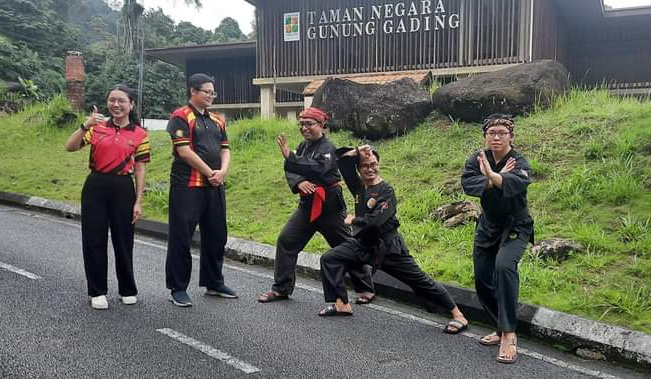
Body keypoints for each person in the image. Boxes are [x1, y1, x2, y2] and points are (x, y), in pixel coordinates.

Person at [317, 145, 469, 334]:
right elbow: (341, 161)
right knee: (330, 258)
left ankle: (458, 315)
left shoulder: (386, 190)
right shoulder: (358, 186)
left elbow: (376, 222)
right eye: (365, 165)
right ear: (359, 168)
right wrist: (357, 151)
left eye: (374, 164)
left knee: (420, 281)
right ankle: (341, 304)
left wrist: (353, 219)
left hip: (387, 247)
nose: (370, 169)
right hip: (363, 244)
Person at [257, 107, 375, 303]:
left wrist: (291, 157)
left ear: (321, 125)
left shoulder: (328, 148)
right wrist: (299, 182)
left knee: (346, 246)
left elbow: (320, 168)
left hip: (329, 206)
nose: (304, 128)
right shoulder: (303, 147)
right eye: (302, 124)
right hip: (306, 206)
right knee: (286, 241)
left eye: (309, 124)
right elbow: (291, 168)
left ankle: (365, 288)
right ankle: (281, 289)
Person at [64, 84, 150, 310]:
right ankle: (97, 290)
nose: (116, 104)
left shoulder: (140, 134)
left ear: (131, 104)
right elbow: (70, 147)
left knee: (124, 240)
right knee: (94, 239)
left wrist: (138, 201)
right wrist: (85, 125)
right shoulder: (97, 127)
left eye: (121, 100)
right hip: (96, 186)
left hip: (123, 187)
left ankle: (127, 288)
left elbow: (141, 168)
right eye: (112, 100)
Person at [461, 114, 534, 364]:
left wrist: (492, 176)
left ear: (511, 136)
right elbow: (468, 183)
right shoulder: (478, 158)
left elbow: (516, 182)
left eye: (502, 132)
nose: (496, 137)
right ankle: (499, 326)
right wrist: (493, 177)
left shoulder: (519, 160)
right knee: (482, 277)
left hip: (516, 225)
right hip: (488, 226)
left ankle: (509, 335)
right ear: (485, 136)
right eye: (491, 133)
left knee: (504, 267)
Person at [165, 73, 235, 307]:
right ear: (193, 91)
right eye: (206, 91)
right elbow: (184, 151)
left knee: (216, 235)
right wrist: (210, 172)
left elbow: (225, 149)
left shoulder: (217, 120)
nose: (210, 96)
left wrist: (222, 172)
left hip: (214, 186)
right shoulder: (180, 116)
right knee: (181, 237)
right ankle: (178, 288)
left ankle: (214, 282)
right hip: (187, 187)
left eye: (212, 92)